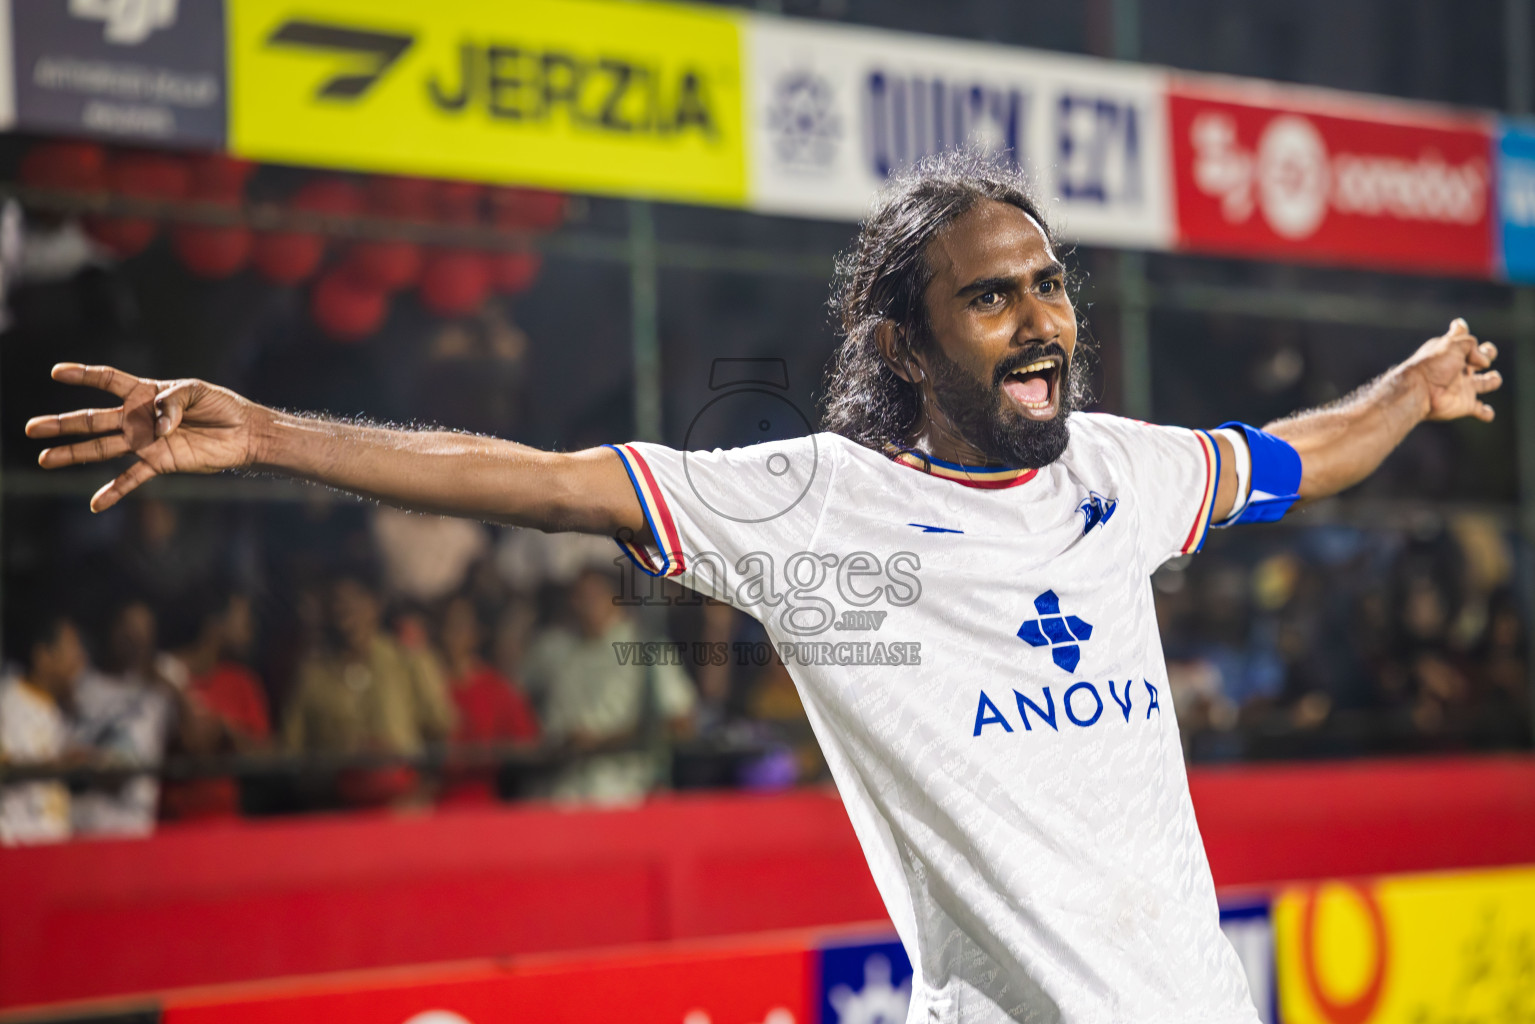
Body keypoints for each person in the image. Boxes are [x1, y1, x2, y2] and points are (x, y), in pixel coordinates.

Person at [27, 151, 1503, 1022]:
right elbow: (536, 477)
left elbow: (1299, 454)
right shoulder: (814, 505)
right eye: (989, 295)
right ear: (906, 348)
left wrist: (1412, 385)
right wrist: (272, 432)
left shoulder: (1122, 470)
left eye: (1048, 283)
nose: (1040, 317)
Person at [522, 567, 696, 804]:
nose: (585, 604)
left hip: (628, 791)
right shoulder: (554, 648)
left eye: (595, 595)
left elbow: (681, 722)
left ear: (616, 598)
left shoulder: (645, 645)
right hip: (562, 792)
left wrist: (605, 741)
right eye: (579, 596)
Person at [282, 573, 455, 807]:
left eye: (354, 601)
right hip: (337, 811)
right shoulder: (313, 675)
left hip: (404, 808)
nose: (345, 611)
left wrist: (422, 779)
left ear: (376, 605)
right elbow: (291, 750)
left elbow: (441, 725)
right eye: (338, 603)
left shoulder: (407, 661)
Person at [70, 600, 178, 837]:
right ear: (112, 629)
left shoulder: (158, 693)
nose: (135, 640)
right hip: (78, 830)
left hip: (132, 834)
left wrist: (170, 685)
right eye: (128, 630)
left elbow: (198, 736)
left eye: (142, 633)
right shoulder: (79, 684)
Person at [160, 589, 271, 821]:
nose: (249, 628)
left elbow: (265, 754)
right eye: (242, 618)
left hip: (225, 825)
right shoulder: (160, 676)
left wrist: (228, 732)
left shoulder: (242, 682)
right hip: (169, 825)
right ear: (215, 625)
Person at [435, 593, 538, 805]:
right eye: (446, 626)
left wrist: (489, 753)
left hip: (482, 810)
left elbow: (528, 745)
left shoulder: (497, 689)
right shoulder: (426, 686)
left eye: (459, 627)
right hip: (426, 811)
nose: (450, 636)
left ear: (476, 634)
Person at [0, 615, 86, 844]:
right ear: (43, 656)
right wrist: (59, 766)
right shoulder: (9, 699)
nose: (79, 660)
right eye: (72, 649)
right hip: (15, 844)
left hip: (49, 846)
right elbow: (6, 768)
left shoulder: (55, 710)